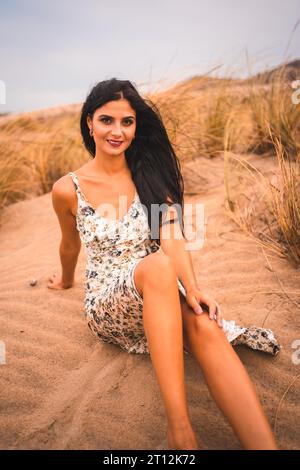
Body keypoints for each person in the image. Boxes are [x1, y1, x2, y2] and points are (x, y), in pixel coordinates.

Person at [48, 78, 280, 450]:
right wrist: (63, 280)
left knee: (205, 324)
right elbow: (69, 244)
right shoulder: (67, 188)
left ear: (136, 127)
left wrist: (193, 289)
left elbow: (172, 237)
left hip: (159, 291)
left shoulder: (149, 176)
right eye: (107, 120)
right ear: (89, 122)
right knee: (157, 267)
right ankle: (181, 432)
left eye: (127, 122)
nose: (117, 131)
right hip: (110, 304)